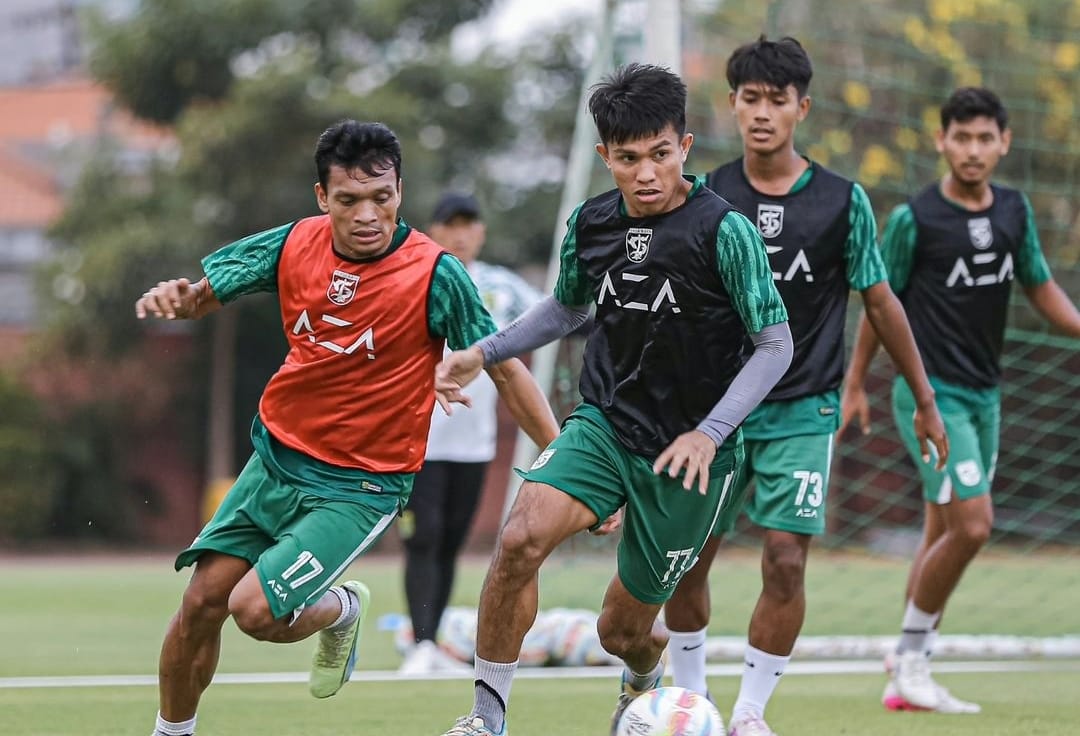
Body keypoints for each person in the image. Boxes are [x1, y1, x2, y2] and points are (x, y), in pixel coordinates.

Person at [133, 120, 559, 736]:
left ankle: (340, 608)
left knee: (250, 609)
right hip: (275, 460)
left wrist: (559, 456)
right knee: (199, 605)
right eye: (348, 200)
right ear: (320, 198)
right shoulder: (294, 243)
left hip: (360, 487)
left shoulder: (436, 274)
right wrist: (181, 297)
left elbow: (509, 373)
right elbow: (205, 295)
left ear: (400, 193)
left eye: (381, 198)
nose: (367, 214)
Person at [434, 62, 794, 736]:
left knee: (619, 630)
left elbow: (776, 345)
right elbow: (566, 311)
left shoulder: (726, 231)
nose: (647, 173)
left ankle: (643, 674)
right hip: (604, 424)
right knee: (517, 541)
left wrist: (710, 432)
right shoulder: (592, 224)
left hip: (692, 457)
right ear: (606, 157)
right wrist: (482, 352)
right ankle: (486, 719)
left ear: (684, 146)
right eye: (628, 159)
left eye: (661, 154)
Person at [658, 36, 948, 736]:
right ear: (732, 105)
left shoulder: (843, 203)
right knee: (689, 560)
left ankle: (751, 714)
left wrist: (925, 400)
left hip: (802, 412)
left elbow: (881, 303)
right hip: (713, 415)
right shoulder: (704, 195)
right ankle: (690, 703)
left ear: (802, 108)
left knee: (785, 560)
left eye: (776, 101)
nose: (762, 113)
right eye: (749, 99)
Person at [841, 87, 1080, 714]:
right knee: (975, 525)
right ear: (942, 140)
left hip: (984, 398)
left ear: (1003, 143)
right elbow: (877, 302)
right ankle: (914, 659)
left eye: (985, 138)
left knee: (941, 529)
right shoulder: (913, 220)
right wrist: (854, 383)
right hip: (930, 399)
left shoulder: (1015, 213)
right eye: (961, 137)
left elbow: (1041, 287)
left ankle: (905, 661)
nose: (973, 149)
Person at [397, 192, 543, 676]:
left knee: (452, 540)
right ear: (432, 231)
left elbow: (557, 315)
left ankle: (432, 640)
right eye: (450, 224)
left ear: (481, 231)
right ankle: (420, 644)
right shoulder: (416, 276)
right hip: (419, 440)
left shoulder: (503, 287)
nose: (460, 234)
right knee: (425, 538)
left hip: (474, 445)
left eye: (469, 224)